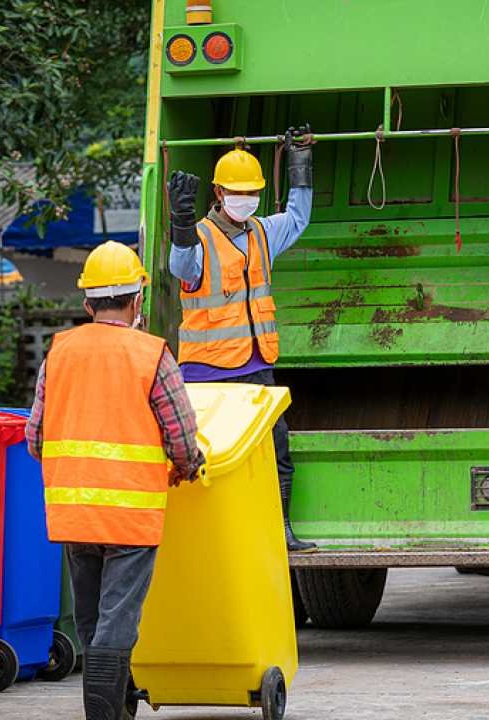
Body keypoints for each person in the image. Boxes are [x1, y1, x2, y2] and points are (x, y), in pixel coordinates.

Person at [26, 241, 206, 720]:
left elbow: (35, 436)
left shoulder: (58, 354)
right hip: (129, 515)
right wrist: (188, 465)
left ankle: (117, 703)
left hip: (73, 511)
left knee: (91, 616)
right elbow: (182, 435)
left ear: (88, 304)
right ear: (137, 300)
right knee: (117, 617)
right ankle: (105, 713)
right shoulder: (151, 355)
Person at [165, 125, 316, 552]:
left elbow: (299, 217)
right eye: (237, 191)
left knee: (276, 452)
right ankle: (210, 539)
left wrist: (300, 163)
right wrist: (179, 224)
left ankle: (281, 530)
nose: (245, 198)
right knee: (210, 460)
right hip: (207, 375)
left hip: (255, 369)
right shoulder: (199, 239)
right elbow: (182, 269)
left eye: (252, 191)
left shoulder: (263, 233)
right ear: (218, 191)